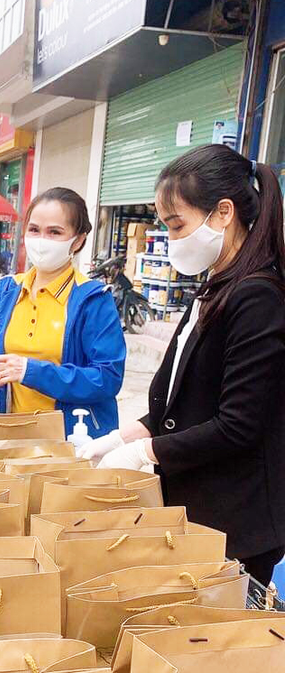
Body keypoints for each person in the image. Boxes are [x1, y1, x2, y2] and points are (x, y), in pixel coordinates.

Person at [82, 144, 285, 587]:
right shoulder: (216, 286)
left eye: (178, 225)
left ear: (223, 213)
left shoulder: (258, 297)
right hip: (199, 505)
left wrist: (143, 453)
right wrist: (121, 436)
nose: (173, 240)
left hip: (237, 521)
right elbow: (180, 400)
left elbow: (237, 425)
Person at [0, 187, 126, 439]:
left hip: (69, 442)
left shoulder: (93, 300)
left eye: (55, 232)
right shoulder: (7, 291)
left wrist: (32, 372)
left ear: (78, 240)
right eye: (34, 230)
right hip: (8, 440)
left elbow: (107, 378)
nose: (41, 240)